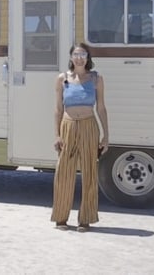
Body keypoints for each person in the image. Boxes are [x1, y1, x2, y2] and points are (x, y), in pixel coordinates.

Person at [50, 43, 109, 232]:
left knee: (89, 171)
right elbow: (58, 109)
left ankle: (85, 219)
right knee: (64, 172)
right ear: (71, 57)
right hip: (67, 126)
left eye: (83, 54)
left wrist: (105, 135)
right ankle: (61, 218)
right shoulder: (62, 79)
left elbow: (101, 108)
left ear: (88, 57)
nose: (79, 58)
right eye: (76, 54)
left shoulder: (96, 79)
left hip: (88, 125)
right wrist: (57, 134)